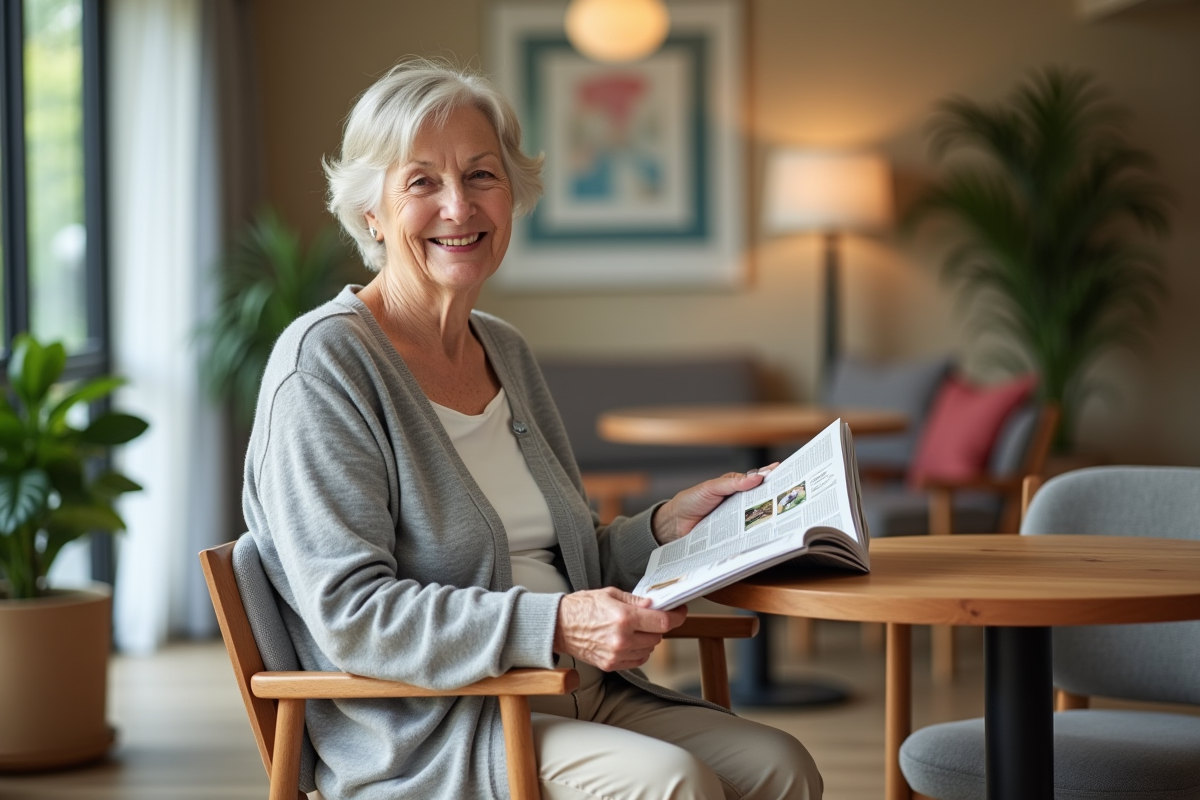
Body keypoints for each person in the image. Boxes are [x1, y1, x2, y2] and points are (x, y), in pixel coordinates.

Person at [244, 57, 823, 800]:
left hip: (578, 687)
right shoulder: (325, 365)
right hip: (443, 727)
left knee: (784, 766)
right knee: (672, 784)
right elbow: (354, 617)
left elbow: (564, 559)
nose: (459, 206)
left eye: (482, 176)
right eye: (422, 182)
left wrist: (663, 529)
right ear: (371, 213)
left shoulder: (503, 349)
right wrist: (553, 624)